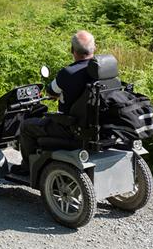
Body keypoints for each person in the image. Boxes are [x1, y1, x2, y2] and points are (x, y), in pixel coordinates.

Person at [17, 30, 98, 172]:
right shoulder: (104, 69)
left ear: (72, 50)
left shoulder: (68, 73)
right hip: (99, 126)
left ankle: (27, 167)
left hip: (70, 128)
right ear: (94, 48)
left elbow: (51, 92)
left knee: (26, 126)